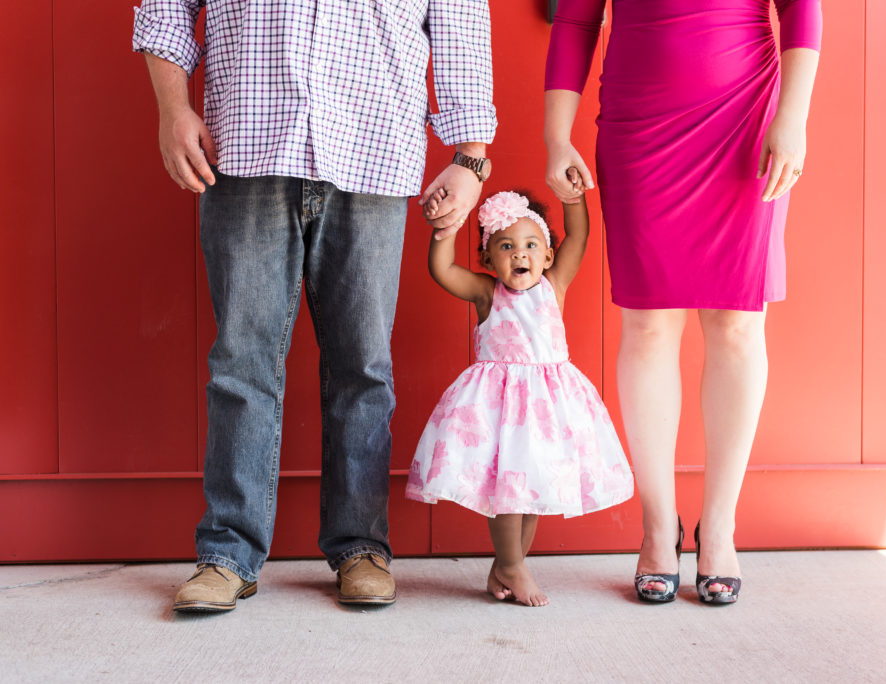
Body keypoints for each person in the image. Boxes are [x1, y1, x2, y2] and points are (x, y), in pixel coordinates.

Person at [132, 0, 497, 612]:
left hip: (372, 147)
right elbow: (165, 6)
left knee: (363, 365)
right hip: (247, 143)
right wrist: (172, 107)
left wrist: (469, 156)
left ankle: (361, 546)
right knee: (241, 364)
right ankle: (227, 554)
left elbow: (461, 23)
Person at [544, 0, 822, 604]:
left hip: (747, 119)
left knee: (739, 325)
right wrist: (555, 136)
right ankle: (656, 527)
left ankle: (718, 529)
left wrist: (793, 117)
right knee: (646, 325)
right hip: (640, 126)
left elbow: (802, 9)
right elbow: (575, 20)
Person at [406, 179, 634, 606]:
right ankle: (512, 564)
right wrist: (448, 223)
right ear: (489, 257)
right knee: (508, 491)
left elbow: (579, 234)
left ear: (548, 254)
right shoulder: (486, 293)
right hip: (498, 409)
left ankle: (506, 566)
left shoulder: (555, 285)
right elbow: (442, 269)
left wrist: (574, 195)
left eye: (531, 245)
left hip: (546, 408)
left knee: (530, 493)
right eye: (506, 246)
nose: (520, 254)